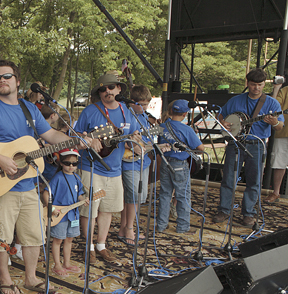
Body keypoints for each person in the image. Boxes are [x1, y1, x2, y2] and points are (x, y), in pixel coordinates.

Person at [0, 59, 89, 294]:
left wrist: (77, 141)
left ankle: (31, 278)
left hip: (28, 183)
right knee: (1, 234)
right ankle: (5, 278)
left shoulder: (29, 109)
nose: (2, 81)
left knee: (33, 234)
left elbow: (50, 134)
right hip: (0, 185)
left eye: (7, 76)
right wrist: (0, 159)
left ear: (18, 81)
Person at [75, 73, 141, 263]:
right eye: (103, 89)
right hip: (91, 167)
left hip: (115, 169)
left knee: (107, 210)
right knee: (90, 210)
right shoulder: (90, 111)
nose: (107, 91)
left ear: (119, 89)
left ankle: (102, 245)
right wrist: (90, 140)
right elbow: (78, 135)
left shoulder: (126, 111)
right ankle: (89, 247)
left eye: (111, 87)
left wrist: (134, 141)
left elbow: (132, 139)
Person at [212, 68, 284, 226]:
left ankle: (248, 213)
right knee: (228, 178)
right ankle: (224, 210)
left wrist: (275, 123)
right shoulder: (236, 100)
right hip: (235, 143)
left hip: (256, 144)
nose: (256, 88)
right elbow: (220, 116)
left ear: (264, 84)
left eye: (260, 84)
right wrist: (223, 123)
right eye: (253, 84)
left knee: (254, 180)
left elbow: (280, 126)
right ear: (248, 83)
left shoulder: (272, 103)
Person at [156, 100, 205, 233]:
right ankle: (182, 227)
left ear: (171, 111)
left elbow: (160, 145)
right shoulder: (186, 129)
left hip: (165, 163)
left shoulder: (162, 126)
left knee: (165, 194)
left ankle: (161, 225)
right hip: (180, 164)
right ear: (185, 114)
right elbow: (201, 148)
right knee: (183, 195)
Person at [118, 85, 153, 245]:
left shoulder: (144, 116)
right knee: (134, 196)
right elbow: (118, 139)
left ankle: (124, 227)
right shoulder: (125, 115)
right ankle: (130, 229)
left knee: (137, 196)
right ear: (132, 101)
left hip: (143, 161)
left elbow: (145, 139)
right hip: (129, 162)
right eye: (141, 103)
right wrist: (132, 145)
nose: (144, 107)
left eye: (147, 104)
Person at [42, 148, 85, 276]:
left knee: (69, 239)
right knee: (58, 240)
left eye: (74, 164)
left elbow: (79, 194)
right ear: (61, 163)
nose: (71, 166)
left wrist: (83, 200)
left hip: (73, 215)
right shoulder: (58, 178)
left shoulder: (77, 177)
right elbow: (45, 194)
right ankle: (57, 265)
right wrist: (52, 209)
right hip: (59, 215)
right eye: (67, 163)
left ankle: (67, 263)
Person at [266, 84, 288, 203]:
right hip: (283, 131)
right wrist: (276, 89)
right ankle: (276, 192)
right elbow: (274, 106)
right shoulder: (285, 91)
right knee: (279, 162)